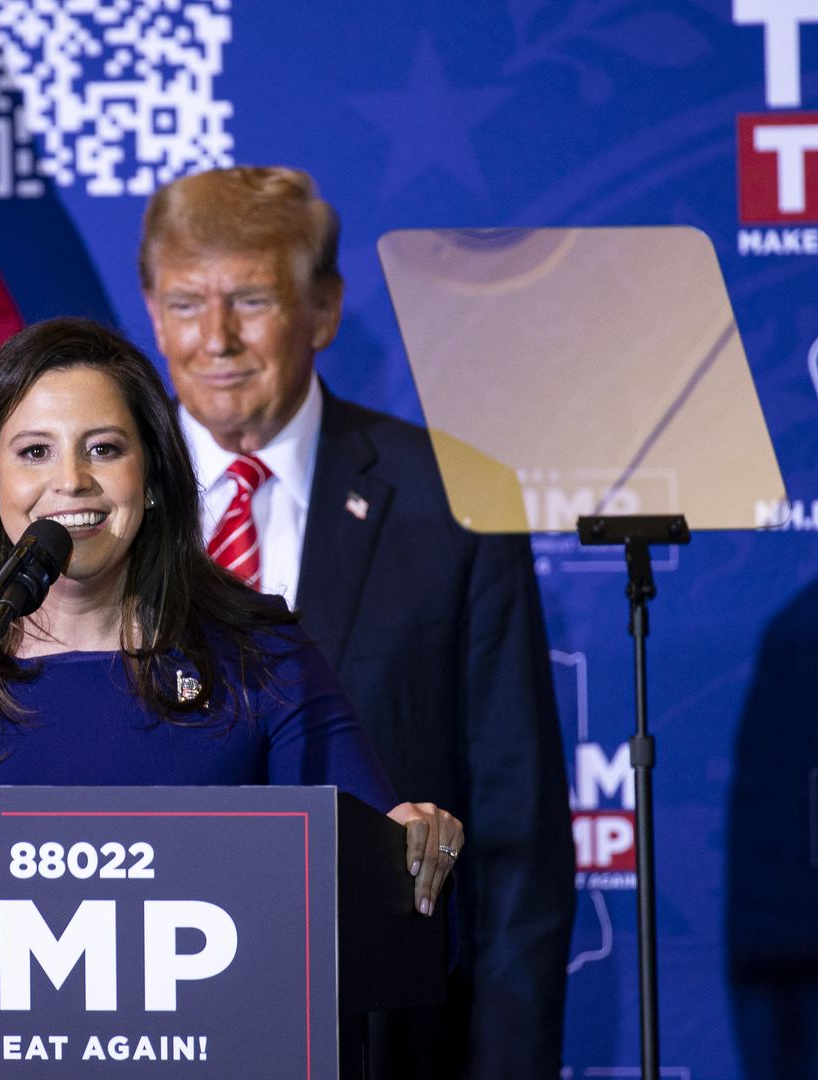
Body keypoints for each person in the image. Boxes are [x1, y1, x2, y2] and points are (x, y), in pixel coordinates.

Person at [139, 166, 574, 1079]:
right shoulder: (98, 504)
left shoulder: (453, 498)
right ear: (152, 312)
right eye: (185, 303)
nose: (215, 339)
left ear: (324, 311)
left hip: (383, 1033)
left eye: (251, 299)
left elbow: (516, 834)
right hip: (145, 1019)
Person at [0, 316, 463, 917]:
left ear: (154, 473)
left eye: (104, 449)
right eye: (34, 452)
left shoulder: (260, 657)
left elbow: (370, 900)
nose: (72, 481)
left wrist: (409, 851)